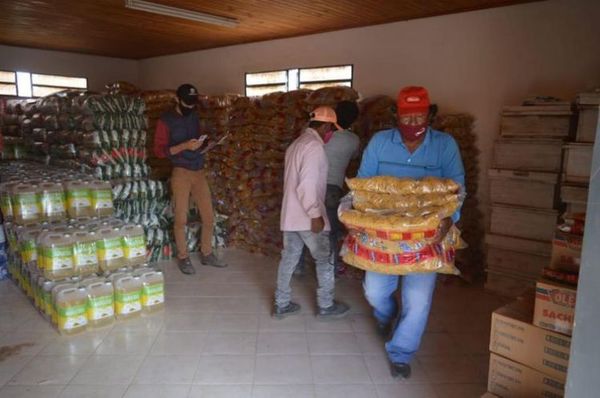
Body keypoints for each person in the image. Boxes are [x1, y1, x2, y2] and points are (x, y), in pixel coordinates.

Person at [357, 86, 465, 378]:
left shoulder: (445, 145)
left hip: (426, 237)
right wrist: (357, 214)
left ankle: (401, 353)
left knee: (418, 301)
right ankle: (385, 313)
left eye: (420, 118)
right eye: (407, 118)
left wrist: (449, 218)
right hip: (384, 234)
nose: (413, 124)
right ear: (396, 116)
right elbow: (363, 184)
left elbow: (457, 188)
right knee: (374, 291)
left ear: (430, 115)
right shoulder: (380, 143)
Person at [273, 106, 350, 320]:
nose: (331, 135)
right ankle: (326, 305)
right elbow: (306, 185)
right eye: (331, 130)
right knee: (325, 259)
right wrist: (315, 214)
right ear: (326, 126)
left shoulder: (296, 144)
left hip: (291, 216)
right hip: (308, 217)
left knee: (288, 259)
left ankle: (282, 303)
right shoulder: (314, 147)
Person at [153, 83, 227, 275]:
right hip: (181, 172)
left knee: (209, 216)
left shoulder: (194, 115)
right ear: (177, 100)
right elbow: (160, 151)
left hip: (198, 170)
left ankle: (207, 253)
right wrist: (184, 146)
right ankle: (184, 257)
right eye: (187, 103)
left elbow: (196, 141)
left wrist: (207, 145)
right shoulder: (166, 120)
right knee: (180, 218)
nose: (190, 107)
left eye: (193, 104)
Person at [294, 101, 360, 277]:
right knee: (328, 231)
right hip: (332, 189)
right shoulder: (353, 140)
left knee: (302, 226)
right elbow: (355, 157)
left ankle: (298, 266)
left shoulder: (313, 135)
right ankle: (329, 271)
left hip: (309, 186)